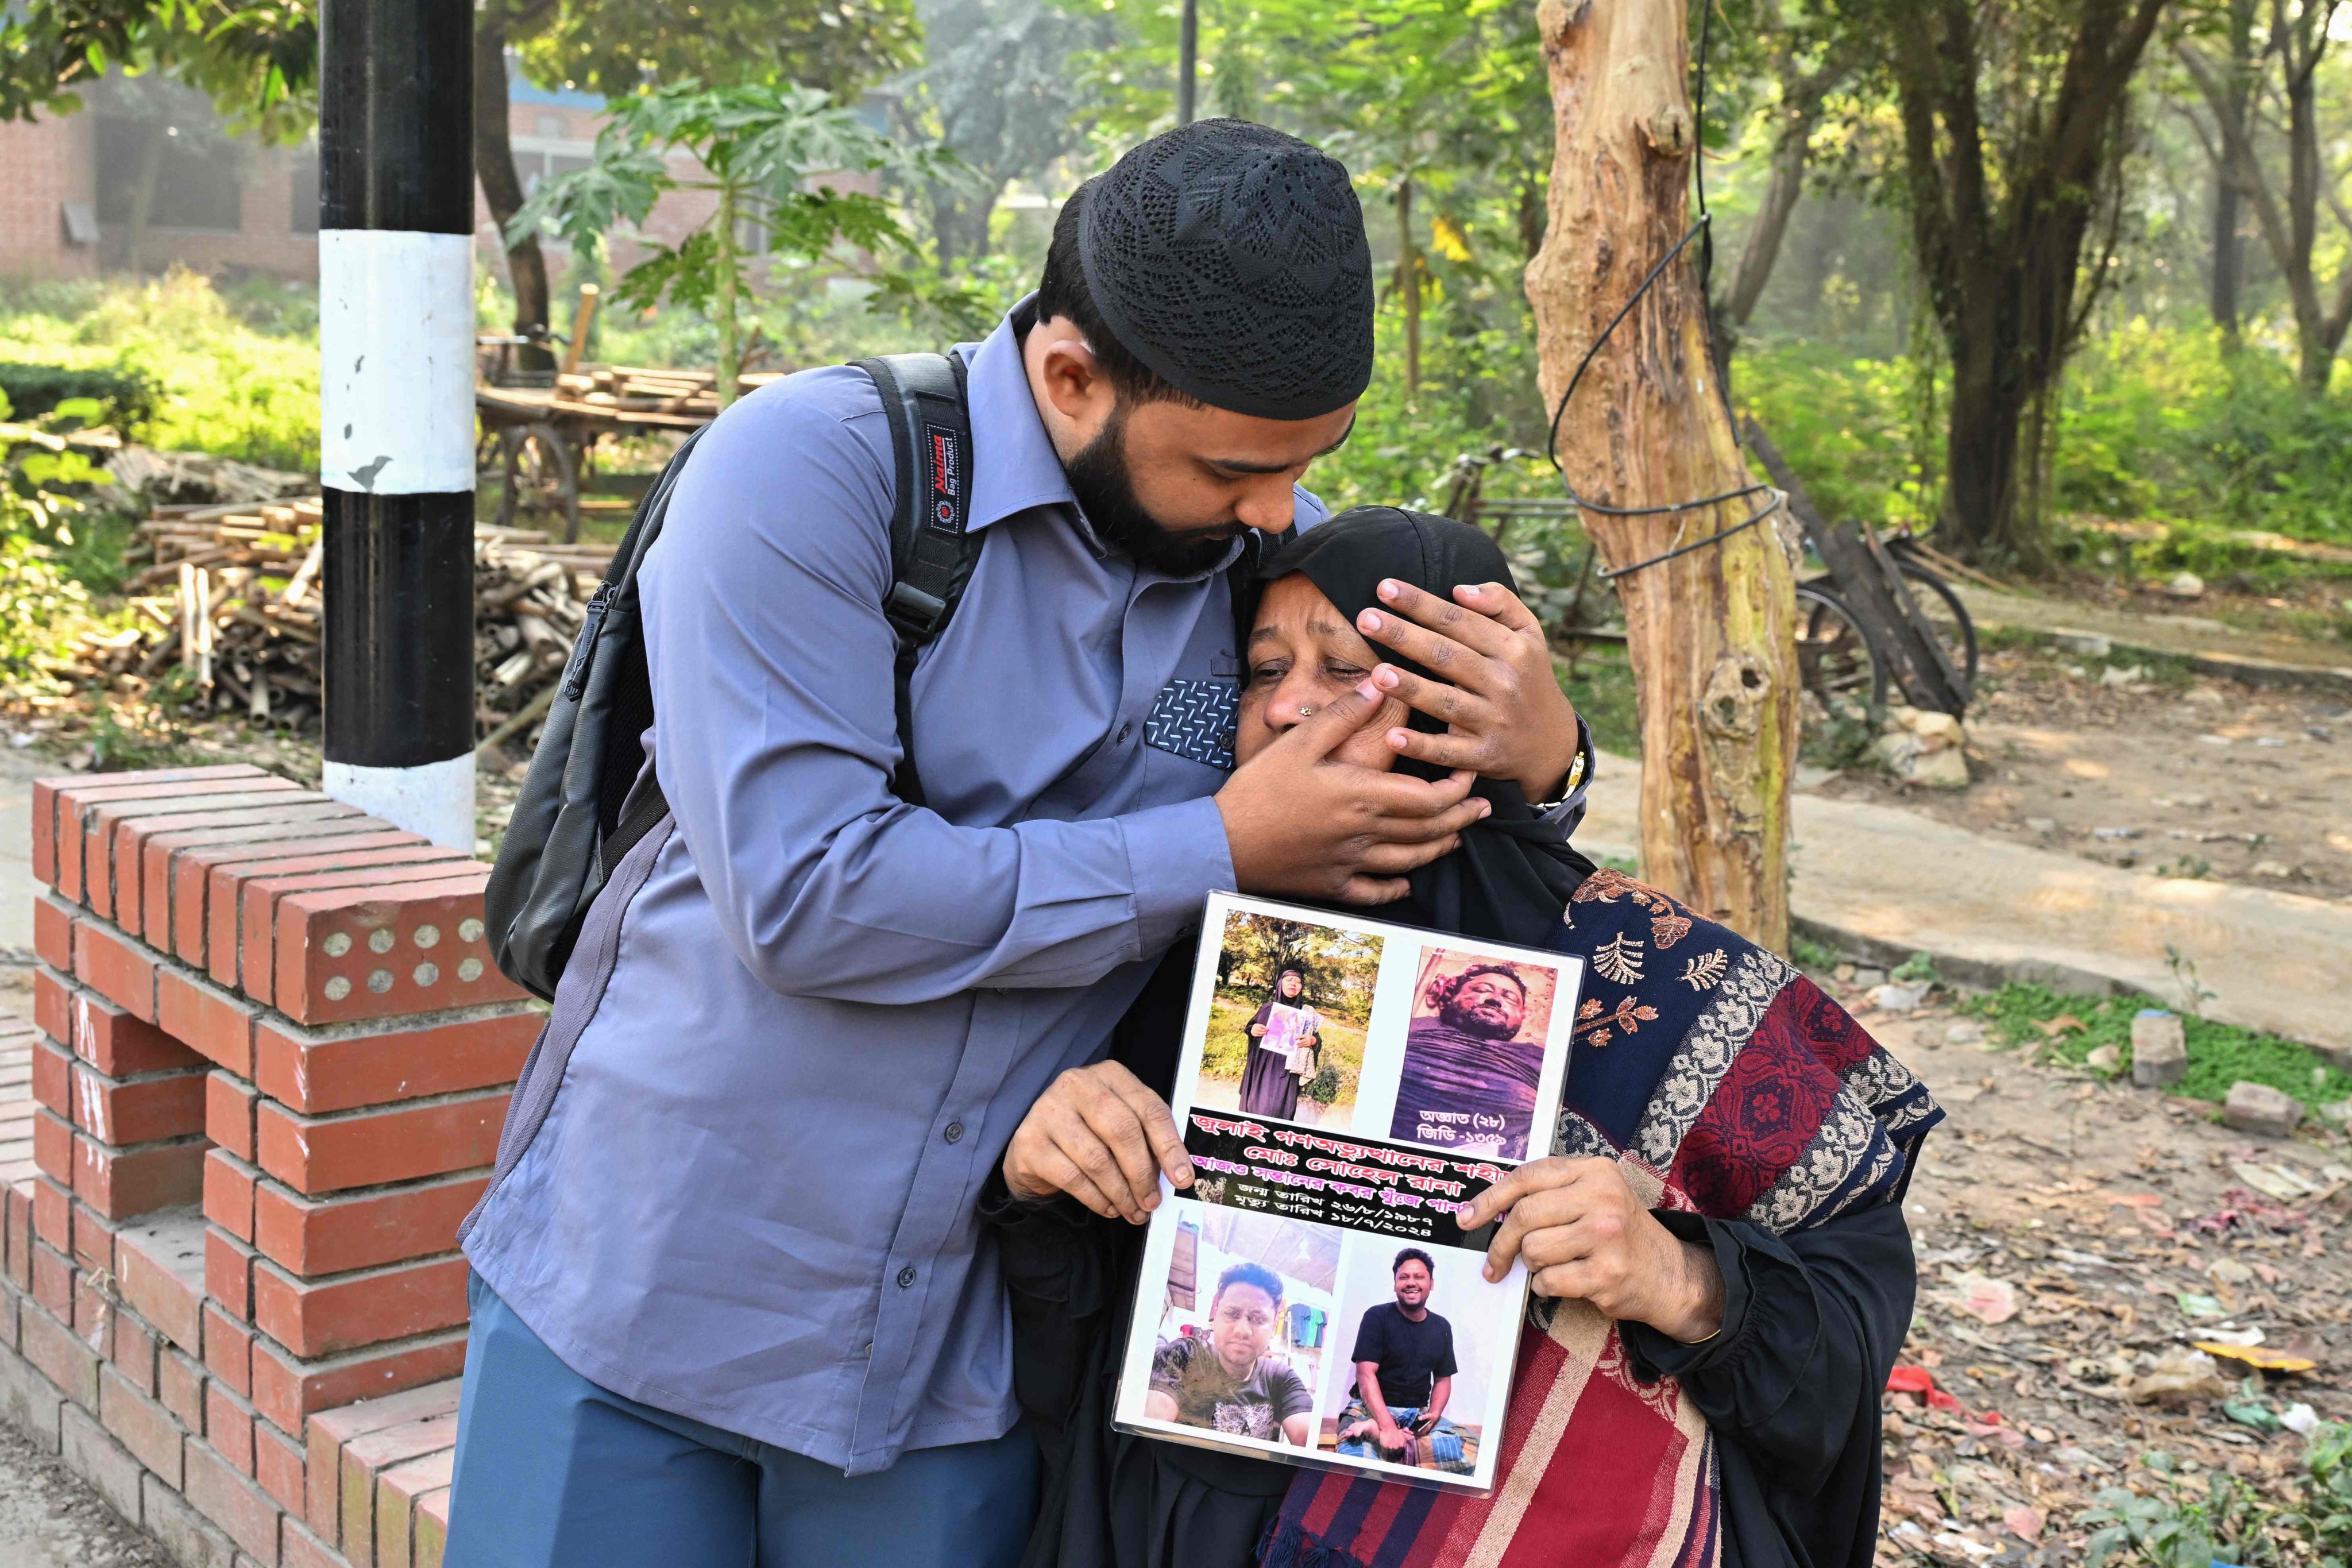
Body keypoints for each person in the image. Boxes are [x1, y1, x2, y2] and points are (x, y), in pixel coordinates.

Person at [443, 117, 1590, 1568]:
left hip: (958, 1352)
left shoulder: (1247, 578)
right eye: (1235, 467)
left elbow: (1403, 869)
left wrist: (1541, 758)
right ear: (1069, 375)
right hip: (650, 1288)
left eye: (1308, 468)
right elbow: (804, 892)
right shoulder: (813, 476)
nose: (1275, 512)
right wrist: (1223, 843)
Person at [990, 506, 1941, 1568]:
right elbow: (1094, 1295)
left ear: (1471, 700)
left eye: (1350, 667)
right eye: (1263, 670)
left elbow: (1847, 1319)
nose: (1291, 704)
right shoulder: (1192, 947)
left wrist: (1675, 1277)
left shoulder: (1654, 978)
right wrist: (1050, 1171)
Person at [1144, 1262, 1314, 1446]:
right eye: (1232, 1314)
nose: (1242, 1331)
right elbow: (1150, 1426)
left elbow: (1307, 1435)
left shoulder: (1281, 1378)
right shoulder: (1184, 1356)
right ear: (1216, 1317)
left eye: (1258, 1319)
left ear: (1273, 1327)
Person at [1389, 961, 1543, 1158]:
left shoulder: (1542, 1059)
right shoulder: (1406, 1027)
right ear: (1451, 997)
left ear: (1523, 1015)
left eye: (1510, 999)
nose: (1495, 1000)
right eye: (1481, 989)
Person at [1333, 1249, 1461, 1469]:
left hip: (1416, 1414)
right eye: (1404, 1277)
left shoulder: (1442, 1327)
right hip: (1368, 1410)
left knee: (1465, 1449)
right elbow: (1365, 1374)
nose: (1411, 1282)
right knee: (1352, 1462)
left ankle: (1382, 1441)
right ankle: (1385, 1438)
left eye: (1419, 1277)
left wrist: (1435, 1414)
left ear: (1431, 1283)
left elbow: (1443, 1379)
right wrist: (1387, 1426)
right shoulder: (1376, 1316)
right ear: (1395, 1284)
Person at [1237, 963, 1320, 1119]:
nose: (1293, 984)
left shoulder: (1307, 1014)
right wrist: (1252, 1030)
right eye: (1289, 980)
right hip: (1262, 1071)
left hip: (1288, 1073)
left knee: (1280, 1112)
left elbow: (1317, 1040)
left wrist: (1313, 1040)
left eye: (1298, 982)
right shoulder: (1268, 1008)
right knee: (1255, 1108)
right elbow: (1250, 1027)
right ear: (1280, 984)